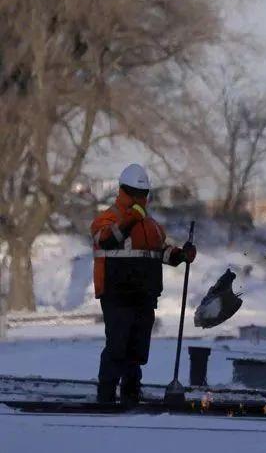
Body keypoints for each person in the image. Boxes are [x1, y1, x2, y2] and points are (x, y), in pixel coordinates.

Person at [90, 164, 197, 403]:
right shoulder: (107, 218)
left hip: (144, 295)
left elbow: (163, 252)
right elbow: (105, 240)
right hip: (117, 294)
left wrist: (182, 255)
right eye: (136, 194)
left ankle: (131, 391)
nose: (140, 199)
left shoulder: (151, 226)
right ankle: (106, 393)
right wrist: (130, 218)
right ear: (123, 191)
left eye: (143, 194)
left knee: (137, 349)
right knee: (117, 346)